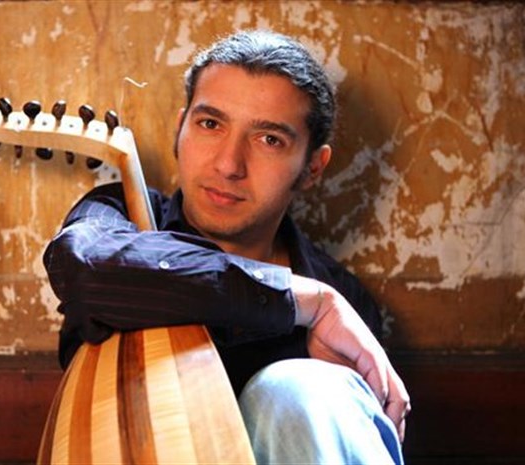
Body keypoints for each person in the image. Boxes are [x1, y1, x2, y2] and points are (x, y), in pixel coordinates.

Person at [44, 29, 410, 464]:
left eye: (269, 139)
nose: (228, 164)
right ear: (180, 128)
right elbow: (84, 268)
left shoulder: (347, 304)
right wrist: (304, 301)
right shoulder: (118, 217)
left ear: (313, 167)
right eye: (210, 124)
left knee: (297, 390)